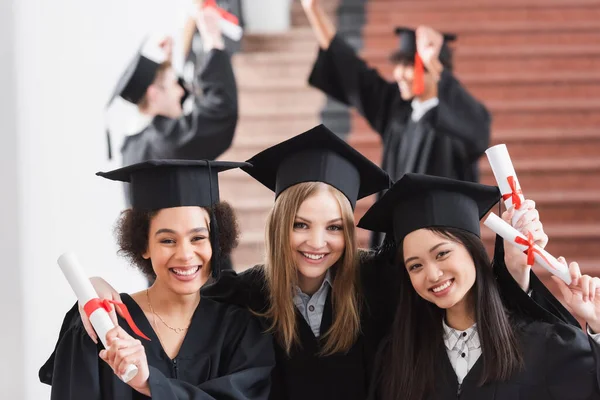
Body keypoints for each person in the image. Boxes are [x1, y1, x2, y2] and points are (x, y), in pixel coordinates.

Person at [72, 126, 564, 399]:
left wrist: (518, 266)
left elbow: (466, 306)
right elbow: (177, 294)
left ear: (350, 232)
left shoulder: (385, 280)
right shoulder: (247, 293)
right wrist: (98, 283)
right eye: (300, 225)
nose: (317, 243)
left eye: (334, 228)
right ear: (278, 225)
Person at [39, 159, 274, 399]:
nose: (185, 255)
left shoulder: (239, 332)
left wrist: (151, 383)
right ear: (144, 245)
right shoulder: (101, 327)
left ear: (215, 242)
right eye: (167, 240)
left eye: (198, 238)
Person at [358, 173, 600, 399]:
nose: (432, 274)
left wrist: (598, 325)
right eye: (415, 266)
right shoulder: (399, 357)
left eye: (442, 253)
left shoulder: (544, 346)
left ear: (473, 252)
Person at [302, 0, 490, 246]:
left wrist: (432, 61)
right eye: (398, 65)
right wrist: (312, 10)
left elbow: (478, 133)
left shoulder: (457, 119)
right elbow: (349, 67)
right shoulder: (396, 108)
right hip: (393, 237)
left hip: (441, 240)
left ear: (436, 69)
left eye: (409, 65)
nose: (399, 73)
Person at [107, 5, 238, 205]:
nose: (181, 91)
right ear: (154, 94)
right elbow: (220, 111)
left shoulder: (133, 145)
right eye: (172, 85)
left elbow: (174, 114)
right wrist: (212, 40)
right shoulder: (163, 141)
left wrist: (168, 63)